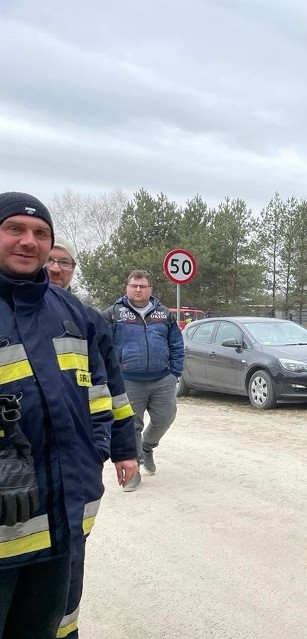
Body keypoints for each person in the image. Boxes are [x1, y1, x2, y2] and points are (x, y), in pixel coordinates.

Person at [0, 192, 115, 636]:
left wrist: (95, 453)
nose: (29, 241)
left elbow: (100, 395)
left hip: (61, 520)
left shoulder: (70, 312)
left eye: (40, 233)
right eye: (15, 229)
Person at [47, 236, 138, 638]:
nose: (55, 269)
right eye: (50, 261)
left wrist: (119, 449)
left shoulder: (87, 320)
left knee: (69, 566)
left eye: (64, 262)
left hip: (79, 466)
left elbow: (112, 391)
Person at [104, 270, 185, 491]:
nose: (138, 289)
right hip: (128, 380)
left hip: (162, 379)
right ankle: (134, 470)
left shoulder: (164, 314)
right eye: (134, 285)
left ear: (150, 289)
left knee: (165, 418)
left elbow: (177, 345)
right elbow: (101, 345)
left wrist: (174, 373)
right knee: (131, 425)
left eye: (142, 286)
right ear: (127, 288)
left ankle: (148, 446)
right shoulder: (114, 314)